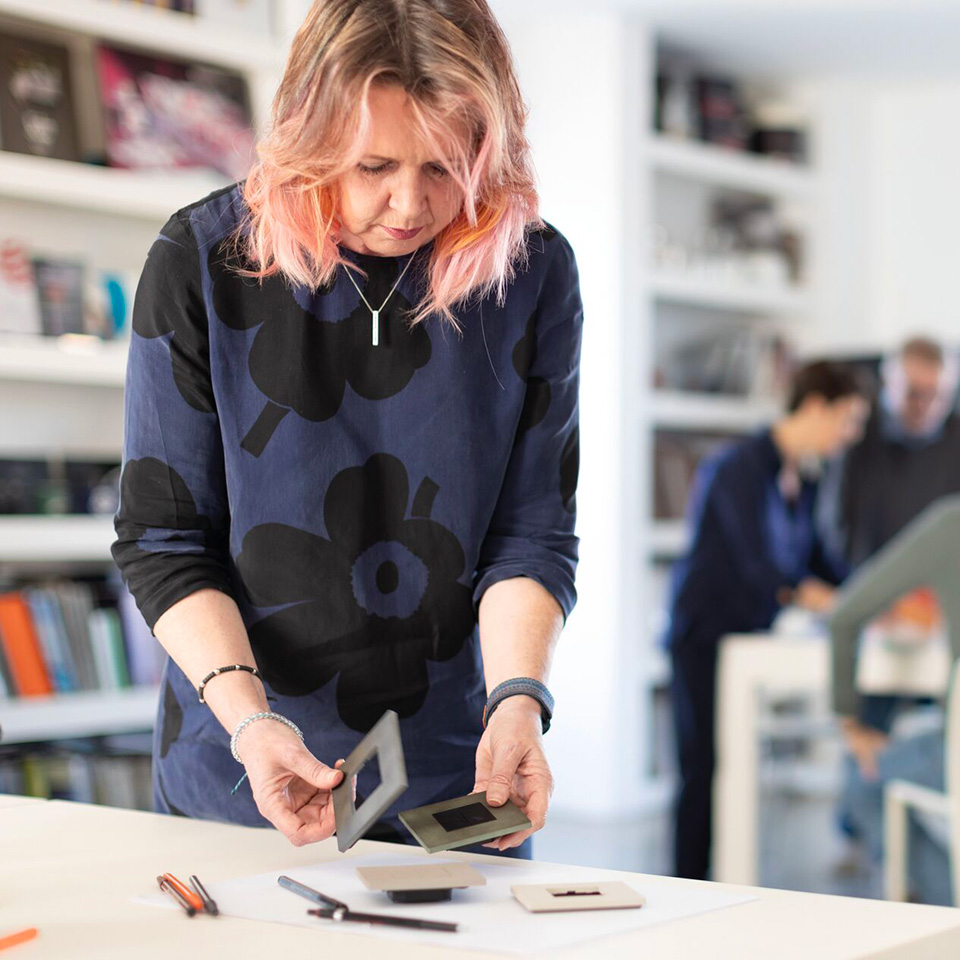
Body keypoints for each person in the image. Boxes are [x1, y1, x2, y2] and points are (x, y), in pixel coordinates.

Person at [111, 0, 582, 857]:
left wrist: (519, 699)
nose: (410, 204)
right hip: (243, 761)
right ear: (310, 137)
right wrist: (251, 723)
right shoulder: (202, 261)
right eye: (374, 166)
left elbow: (531, 535)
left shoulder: (531, 271)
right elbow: (164, 541)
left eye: (445, 166)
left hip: (456, 771)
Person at [666, 361, 869, 880]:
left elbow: (819, 559)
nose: (851, 435)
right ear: (816, 406)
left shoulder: (805, 476)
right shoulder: (737, 468)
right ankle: (688, 882)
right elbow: (762, 567)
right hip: (703, 636)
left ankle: (727, 880)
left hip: (747, 639)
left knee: (735, 765)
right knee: (703, 768)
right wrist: (825, 600)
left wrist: (871, 592)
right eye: (847, 419)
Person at [823, 336, 960, 736]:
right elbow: (838, 529)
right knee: (872, 740)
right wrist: (880, 595)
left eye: (937, 395)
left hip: (938, 615)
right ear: (888, 384)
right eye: (914, 393)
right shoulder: (856, 439)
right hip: (876, 606)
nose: (925, 405)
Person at [831, 495, 960, 906]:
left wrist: (850, 722)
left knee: (861, 785)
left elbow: (843, 616)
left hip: (954, 754)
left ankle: (949, 908)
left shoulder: (951, 526)